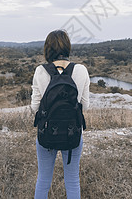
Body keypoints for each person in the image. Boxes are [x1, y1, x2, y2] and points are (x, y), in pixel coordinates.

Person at [31, 30, 90, 199]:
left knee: (43, 180)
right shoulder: (81, 70)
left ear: (47, 48)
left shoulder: (40, 71)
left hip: (46, 133)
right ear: (68, 46)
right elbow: (85, 105)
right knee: (72, 180)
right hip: (73, 133)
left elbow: (34, 107)